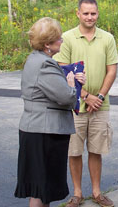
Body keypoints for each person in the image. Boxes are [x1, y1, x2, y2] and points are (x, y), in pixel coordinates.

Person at [54, 0, 118, 207]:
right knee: (74, 151)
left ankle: (97, 193)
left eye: (93, 13)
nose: (90, 17)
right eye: (86, 13)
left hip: (100, 106)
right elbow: (63, 70)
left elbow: (112, 70)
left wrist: (98, 97)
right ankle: (77, 193)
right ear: (78, 14)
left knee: (96, 149)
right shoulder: (67, 38)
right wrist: (86, 96)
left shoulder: (107, 38)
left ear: (98, 13)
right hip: (74, 106)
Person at [14, 17, 86, 207]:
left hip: (36, 130)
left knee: (40, 190)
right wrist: (72, 85)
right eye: (59, 39)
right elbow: (66, 97)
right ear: (47, 44)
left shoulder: (35, 59)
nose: (62, 41)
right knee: (41, 189)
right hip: (45, 133)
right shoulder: (46, 64)